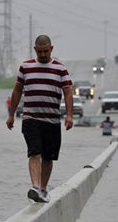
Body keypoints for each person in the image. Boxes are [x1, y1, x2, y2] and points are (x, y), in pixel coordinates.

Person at [6, 35, 73, 203]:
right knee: (34, 152)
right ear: (35, 49)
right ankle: (35, 187)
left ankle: (43, 189)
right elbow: (17, 91)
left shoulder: (60, 69)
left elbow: (68, 93)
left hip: (52, 120)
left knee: (49, 157)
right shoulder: (25, 67)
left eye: (46, 51)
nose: (43, 54)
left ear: (51, 49)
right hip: (31, 118)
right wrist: (11, 114)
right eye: (40, 51)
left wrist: (69, 115)